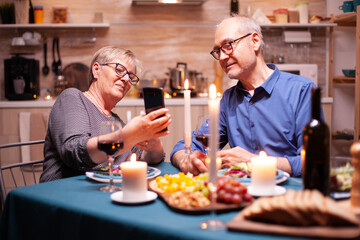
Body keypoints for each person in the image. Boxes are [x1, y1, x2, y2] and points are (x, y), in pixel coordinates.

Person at [170, 16, 317, 177]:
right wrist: (186, 158)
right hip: (239, 194)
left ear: (254, 41)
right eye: (218, 51)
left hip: (289, 195)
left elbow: (312, 161)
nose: (222, 57)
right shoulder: (229, 99)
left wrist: (254, 162)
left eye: (228, 45)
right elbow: (188, 145)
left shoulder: (301, 90)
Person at [40, 46, 171, 182]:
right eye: (119, 70)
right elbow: (74, 152)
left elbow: (149, 158)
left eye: (131, 76)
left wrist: (153, 135)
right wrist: (126, 136)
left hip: (103, 192)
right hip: (62, 192)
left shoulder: (116, 121)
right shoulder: (72, 97)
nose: (126, 79)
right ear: (96, 70)